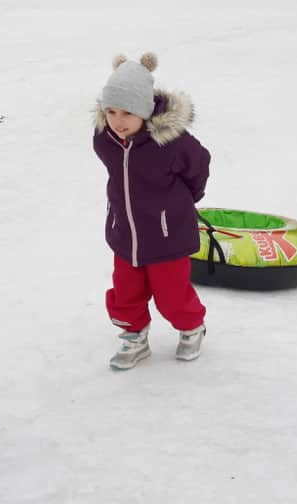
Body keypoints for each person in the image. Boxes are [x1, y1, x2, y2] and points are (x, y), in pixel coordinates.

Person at [92, 52, 210, 370]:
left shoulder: (171, 143)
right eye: (111, 111)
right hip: (125, 234)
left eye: (128, 112)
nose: (118, 121)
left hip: (167, 235)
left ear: (144, 109)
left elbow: (198, 165)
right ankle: (134, 336)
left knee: (172, 296)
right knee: (126, 292)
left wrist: (187, 199)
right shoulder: (106, 140)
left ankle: (191, 327)